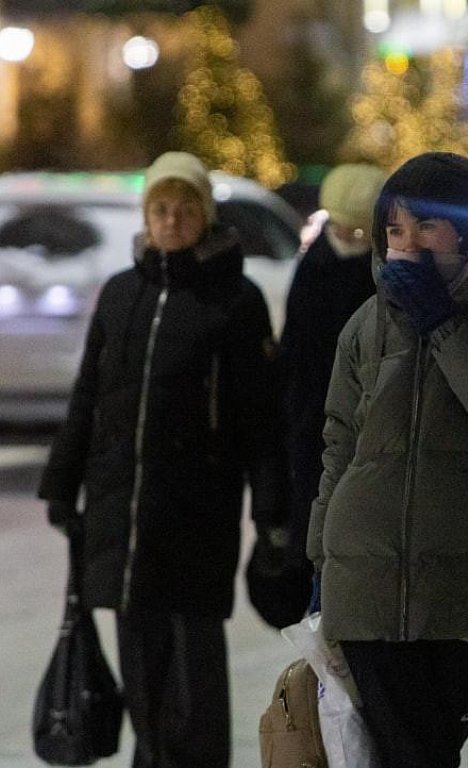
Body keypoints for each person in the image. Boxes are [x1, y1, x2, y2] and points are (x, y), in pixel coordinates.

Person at [306, 151, 468, 767]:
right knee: (409, 754)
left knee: (426, 750)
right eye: (395, 230)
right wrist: (320, 560)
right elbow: (339, 441)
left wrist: (442, 323)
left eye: (426, 227)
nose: (408, 244)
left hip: (462, 585)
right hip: (366, 576)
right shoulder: (367, 324)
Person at [37, 151, 288, 768]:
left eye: (185, 209)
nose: (172, 221)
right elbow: (89, 393)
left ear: (205, 215)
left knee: (192, 664)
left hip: (196, 507)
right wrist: (62, 482)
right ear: (147, 216)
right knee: (140, 659)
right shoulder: (123, 294)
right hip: (121, 506)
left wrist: (273, 510)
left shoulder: (235, 300)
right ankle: (151, 758)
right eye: (161, 209)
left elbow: (259, 418)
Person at [279, 162, 386, 597]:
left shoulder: (385, 275)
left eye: (359, 233)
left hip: (373, 433)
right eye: (342, 229)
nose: (348, 240)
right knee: (320, 551)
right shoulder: (314, 268)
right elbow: (295, 356)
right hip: (316, 433)